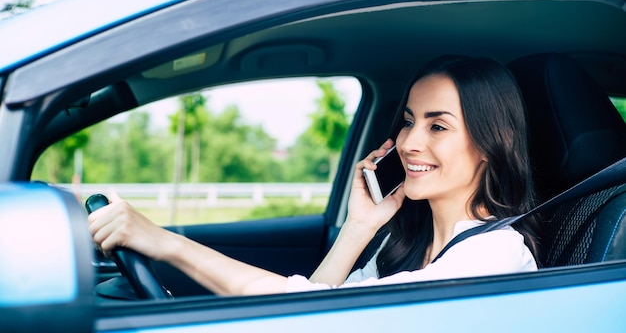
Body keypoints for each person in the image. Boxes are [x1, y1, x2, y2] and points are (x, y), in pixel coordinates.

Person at [89, 56, 539, 296]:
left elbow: (302, 312)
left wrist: (164, 242)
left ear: (490, 143)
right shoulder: (406, 244)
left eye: (437, 126)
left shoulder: (493, 257)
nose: (408, 143)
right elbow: (313, 308)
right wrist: (360, 226)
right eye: (408, 121)